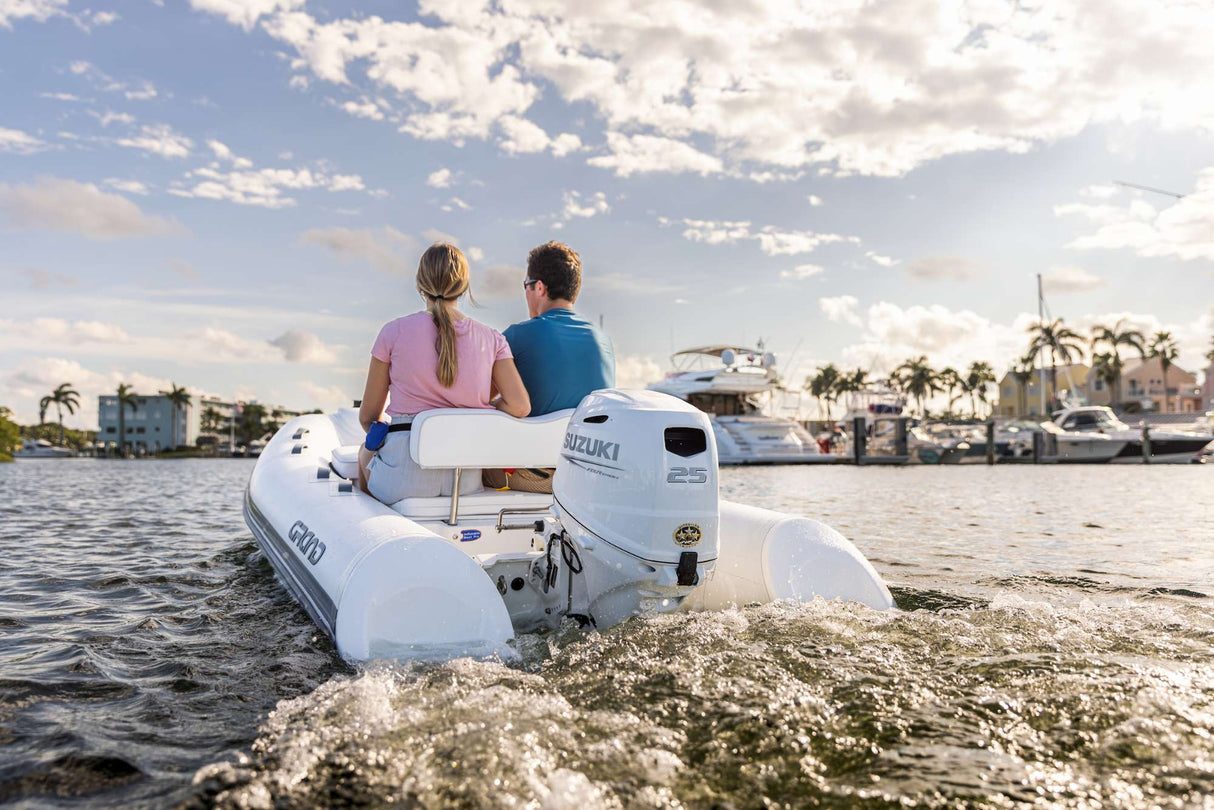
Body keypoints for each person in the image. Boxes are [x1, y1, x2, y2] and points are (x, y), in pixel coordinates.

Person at [358, 243, 530, 503]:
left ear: (420, 284)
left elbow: (368, 417)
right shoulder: (492, 339)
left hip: (402, 481)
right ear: (464, 287)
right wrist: (485, 408)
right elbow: (519, 405)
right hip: (464, 484)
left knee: (363, 454)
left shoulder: (392, 332)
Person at [484, 241, 615, 492]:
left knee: (473, 466)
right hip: (590, 480)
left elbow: (478, 398)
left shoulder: (516, 336)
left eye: (526, 286)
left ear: (540, 287)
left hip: (538, 478)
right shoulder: (604, 341)